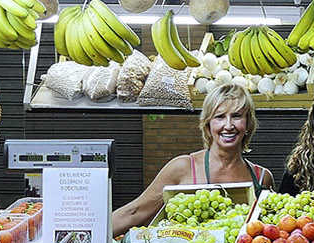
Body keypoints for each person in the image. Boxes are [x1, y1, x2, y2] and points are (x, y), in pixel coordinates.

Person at [111, 83, 274, 234]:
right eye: (220, 117)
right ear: (208, 125)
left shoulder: (262, 178)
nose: (228, 125)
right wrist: (91, 234)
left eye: (237, 116)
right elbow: (135, 212)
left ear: (248, 124)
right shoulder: (182, 168)